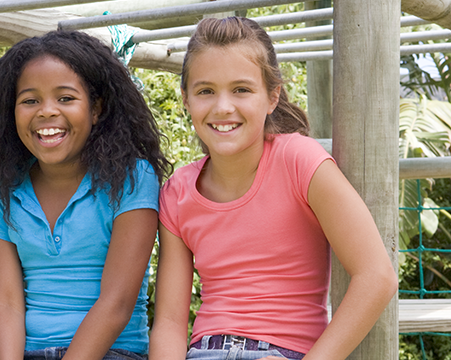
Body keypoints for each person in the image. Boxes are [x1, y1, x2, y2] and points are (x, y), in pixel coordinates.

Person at [150, 17, 398, 360]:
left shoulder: (298, 160)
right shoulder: (177, 191)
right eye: (206, 91)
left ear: (272, 96)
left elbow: (377, 277)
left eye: (241, 89)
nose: (223, 107)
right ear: (186, 100)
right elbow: (169, 322)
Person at [0, 30, 170, 360]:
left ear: (96, 109)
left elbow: (116, 304)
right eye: (30, 100)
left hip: (112, 352)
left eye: (65, 98)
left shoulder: (131, 178)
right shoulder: (1, 190)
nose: (47, 111)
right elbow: (6, 301)